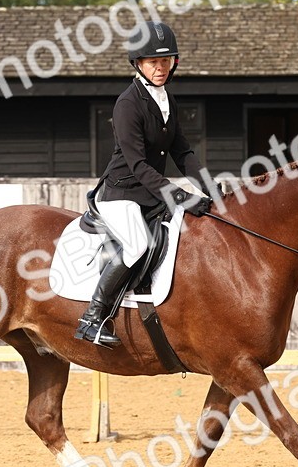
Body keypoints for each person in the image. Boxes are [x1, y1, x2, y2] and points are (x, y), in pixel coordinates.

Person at [74, 21, 215, 348]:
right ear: (138, 63)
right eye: (153, 62)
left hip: (151, 195)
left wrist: (211, 188)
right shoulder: (128, 104)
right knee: (138, 244)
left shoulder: (168, 100)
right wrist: (181, 196)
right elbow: (137, 165)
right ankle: (93, 318)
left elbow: (183, 152)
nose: (160, 67)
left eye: (166, 61)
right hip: (122, 194)